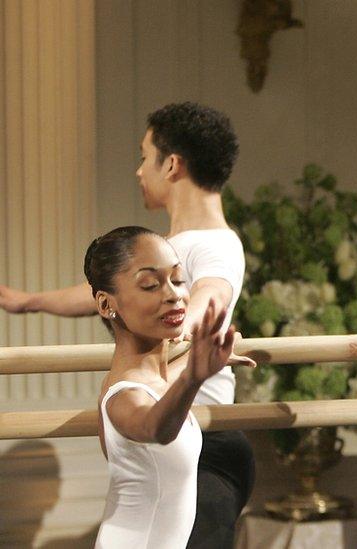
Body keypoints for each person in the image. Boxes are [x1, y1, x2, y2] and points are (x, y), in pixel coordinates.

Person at [0, 102, 251, 548]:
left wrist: (190, 333)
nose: (172, 292)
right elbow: (99, 292)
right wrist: (28, 302)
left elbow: (212, 293)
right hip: (175, 417)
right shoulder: (165, 249)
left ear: (171, 164)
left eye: (143, 155)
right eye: (154, 285)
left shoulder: (214, 244)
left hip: (205, 436)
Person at [86, 226, 252, 548]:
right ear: (107, 305)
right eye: (150, 284)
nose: (174, 294)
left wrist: (207, 362)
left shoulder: (153, 381)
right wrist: (194, 378)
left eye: (177, 279)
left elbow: (165, 381)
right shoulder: (124, 396)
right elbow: (156, 427)